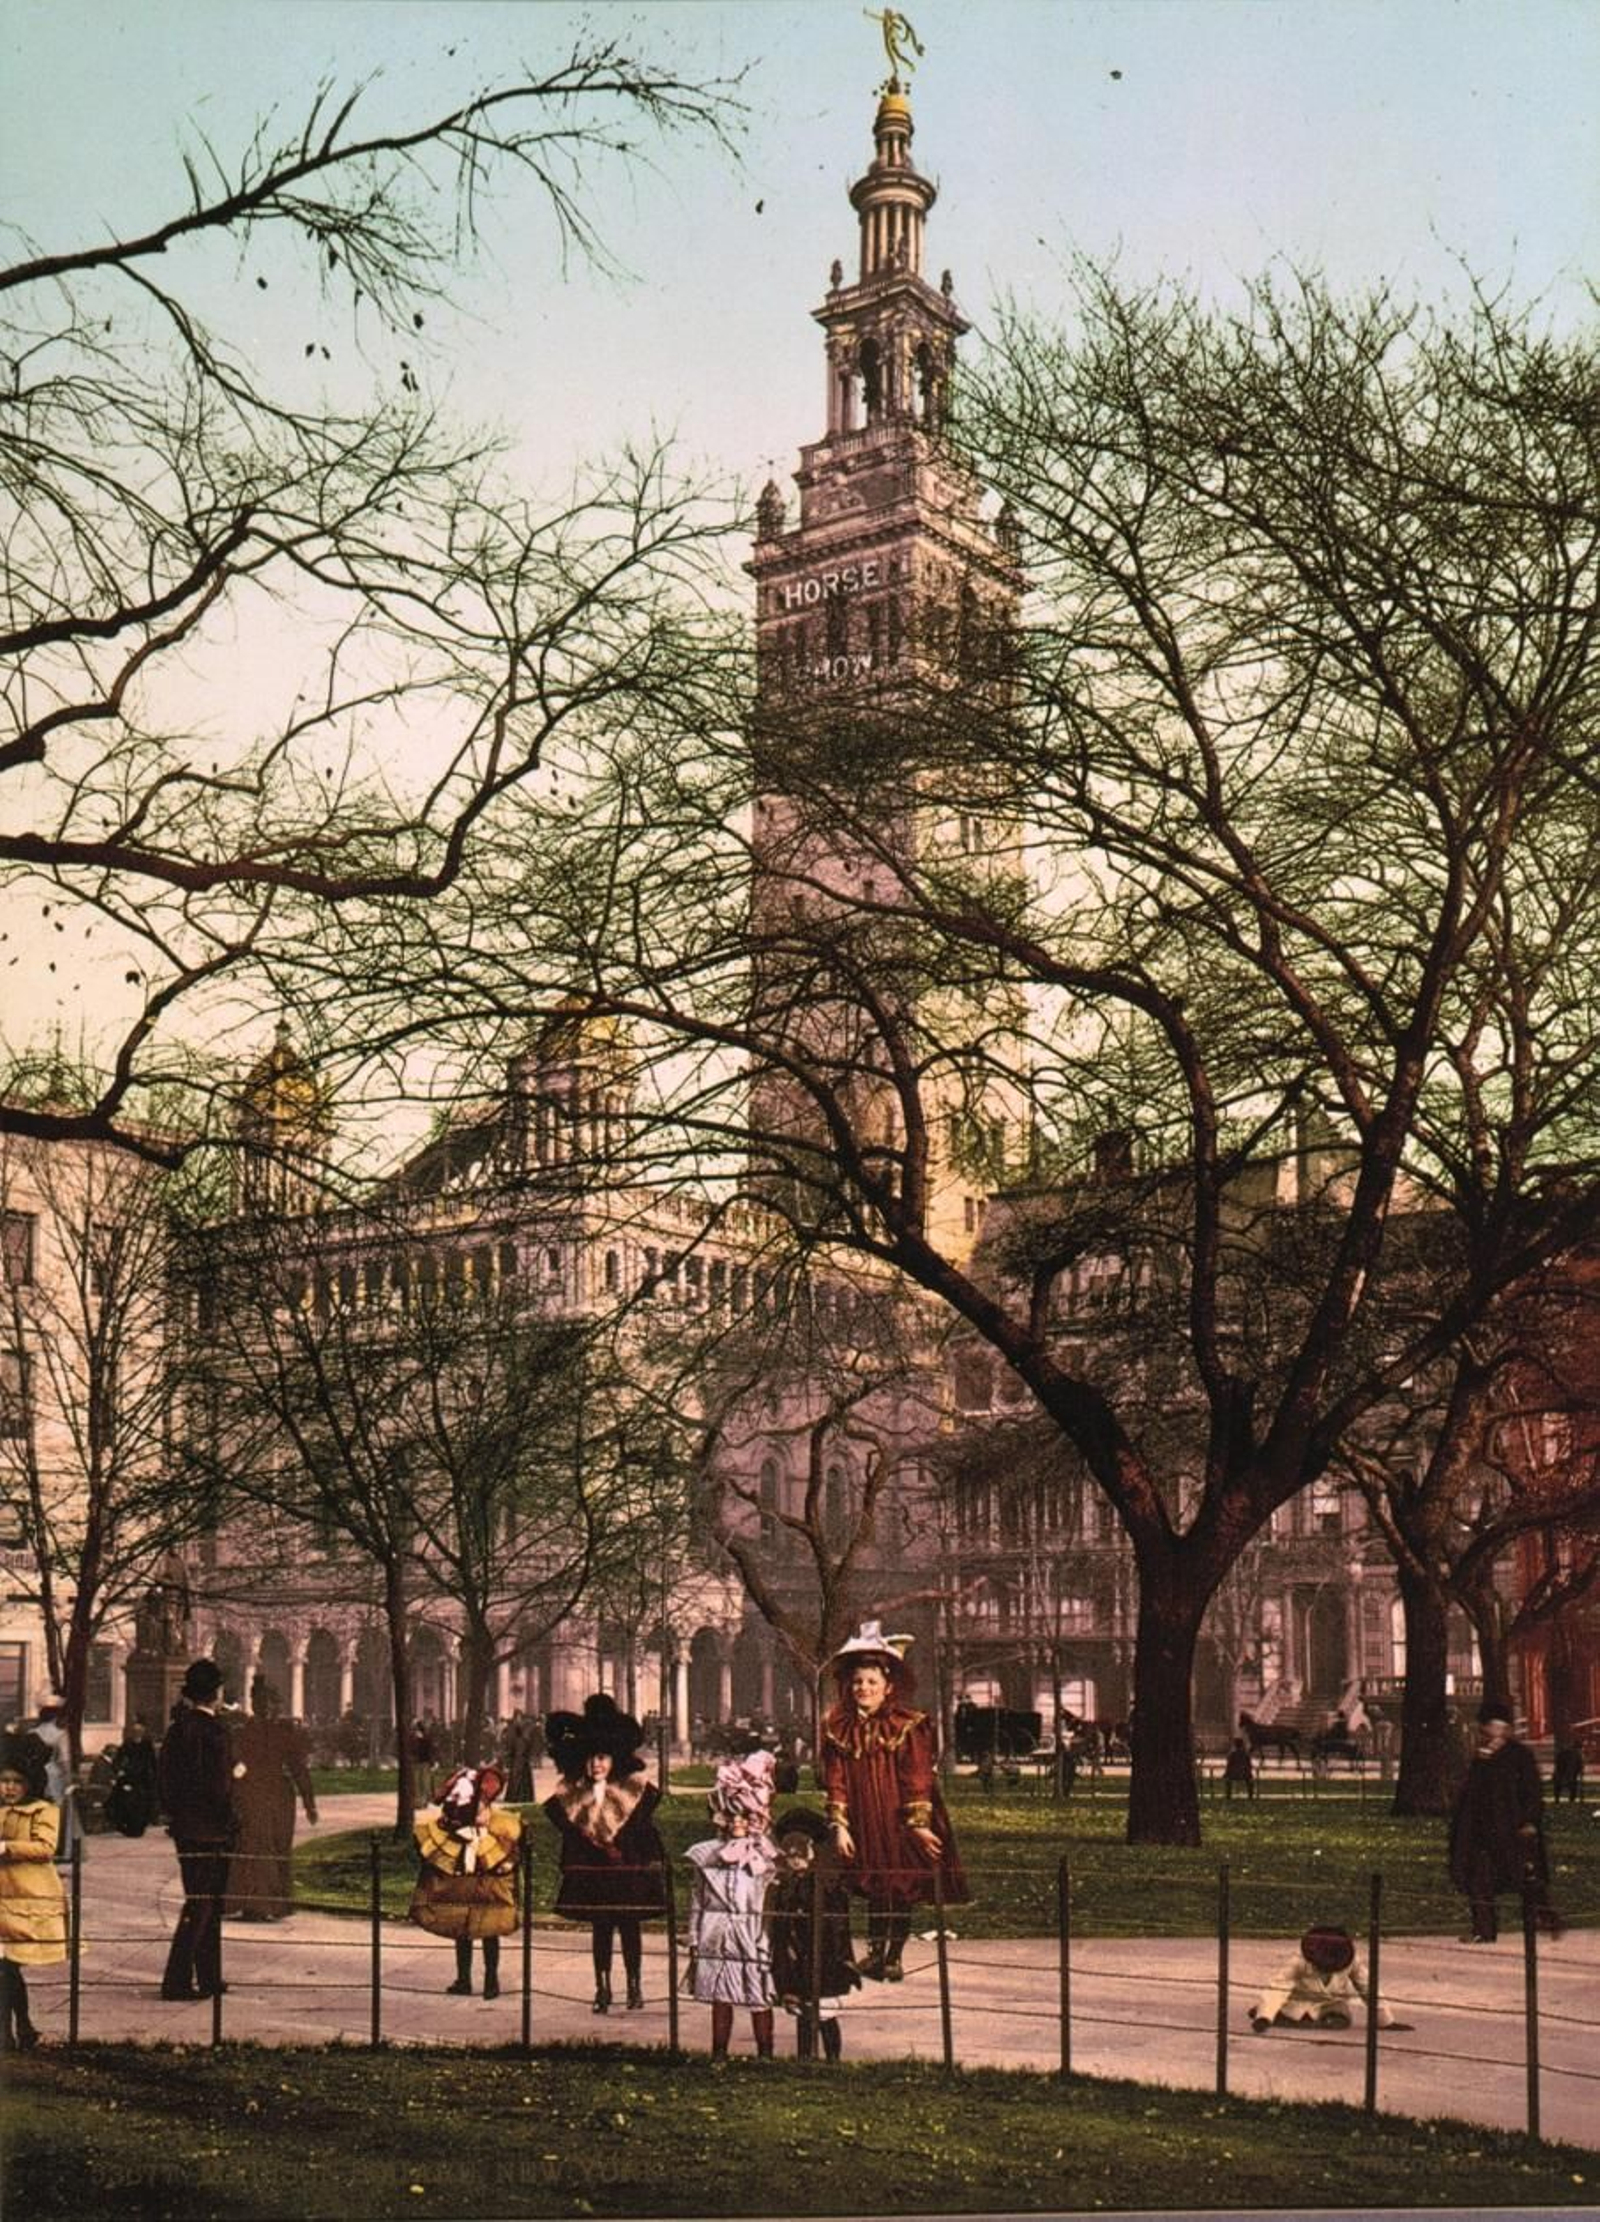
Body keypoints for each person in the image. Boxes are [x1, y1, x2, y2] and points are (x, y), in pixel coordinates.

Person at [820, 1622, 968, 1983]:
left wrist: (918, 1825)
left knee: (899, 1885)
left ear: (887, 1687)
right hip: (862, 1819)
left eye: (872, 1682)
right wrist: (839, 1825)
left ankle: (893, 1956)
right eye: (858, 1682)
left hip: (897, 1818)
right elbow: (836, 1780)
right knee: (874, 1885)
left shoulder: (907, 1725)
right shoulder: (838, 1728)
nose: (864, 1688)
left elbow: (917, 1777)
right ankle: (874, 1953)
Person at [543, 1694, 667, 2014]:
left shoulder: (636, 1791)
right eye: (590, 1758)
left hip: (626, 1871)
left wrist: (638, 1858)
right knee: (600, 1930)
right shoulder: (571, 1795)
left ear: (615, 1759)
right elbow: (566, 1827)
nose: (596, 1764)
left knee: (630, 1928)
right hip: (594, 1873)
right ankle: (602, 1987)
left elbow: (644, 1833)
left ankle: (634, 1986)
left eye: (602, 1757)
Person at [156, 1657, 243, 2001]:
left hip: (186, 1827)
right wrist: (231, 1809)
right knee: (206, 1904)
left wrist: (176, 1814)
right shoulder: (216, 1731)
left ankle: (207, 1977)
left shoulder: (177, 1730)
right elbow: (220, 1784)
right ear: (216, 1692)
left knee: (199, 1902)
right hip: (213, 1828)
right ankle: (180, 1980)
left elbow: (166, 1779)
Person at [683, 1751, 778, 2060]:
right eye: (732, 1815)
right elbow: (698, 1899)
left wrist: (766, 1939)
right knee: (720, 1994)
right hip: (716, 1931)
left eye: (745, 1816)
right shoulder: (708, 1856)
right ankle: (719, 2052)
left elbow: (769, 1904)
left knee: (758, 1993)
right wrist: (694, 1937)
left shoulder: (764, 1859)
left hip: (751, 1933)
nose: (738, 1822)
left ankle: (765, 2054)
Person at [1449, 1698, 1563, 1943]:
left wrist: (1530, 1820)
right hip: (1483, 1832)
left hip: (1513, 1829)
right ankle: (1484, 1930)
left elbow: (1532, 1791)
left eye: (1496, 1726)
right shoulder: (1481, 1757)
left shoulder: (1519, 1756)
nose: (1491, 1732)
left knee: (1527, 1881)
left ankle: (1548, 1919)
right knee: (1480, 1881)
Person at [410, 1762, 522, 1998]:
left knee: (490, 1927)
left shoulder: (498, 1828)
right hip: (465, 1870)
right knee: (462, 1925)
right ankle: (464, 1979)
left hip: (486, 1877)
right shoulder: (458, 1817)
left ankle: (490, 1979)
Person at [766, 1805, 860, 2061]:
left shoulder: (826, 1884)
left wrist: (839, 1955)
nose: (795, 1861)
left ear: (810, 1854)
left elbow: (836, 1924)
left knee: (825, 2012)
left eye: (800, 1855)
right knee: (802, 2011)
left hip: (823, 1954)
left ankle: (832, 2058)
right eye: (790, 1856)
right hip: (795, 1955)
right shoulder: (785, 1885)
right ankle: (805, 2057)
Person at [225, 1678, 318, 1920]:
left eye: (268, 1701)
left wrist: (309, 1802)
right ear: (253, 1702)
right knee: (253, 1845)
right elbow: (234, 1765)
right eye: (259, 1701)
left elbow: (298, 1768)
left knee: (275, 1846)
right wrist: (236, 1785)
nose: (264, 1706)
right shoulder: (242, 1733)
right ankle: (255, 1904)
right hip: (252, 1794)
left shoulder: (283, 1733)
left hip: (276, 1796)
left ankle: (271, 1904)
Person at [0, 1737, 69, 2050]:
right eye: (4, 1781)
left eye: (17, 1782)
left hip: (25, 1899)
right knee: (5, 1966)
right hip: (3, 1900)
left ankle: (16, 2029)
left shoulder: (43, 1811)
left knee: (8, 1965)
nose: (9, 1788)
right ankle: (19, 2029)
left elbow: (45, 1848)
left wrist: (7, 1847)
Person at [1249, 1924, 1400, 2032]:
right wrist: (1264, 2017)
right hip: (1297, 2001)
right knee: (1289, 2016)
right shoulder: (1297, 1962)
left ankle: (1277, 2013)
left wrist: (1385, 2021)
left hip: (1331, 2002)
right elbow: (1277, 1989)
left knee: (1340, 2020)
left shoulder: (1353, 1961)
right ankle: (1265, 2011)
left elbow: (1368, 1987)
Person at [105, 1718, 161, 1837]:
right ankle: (126, 1825)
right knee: (125, 1800)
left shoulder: (147, 1744)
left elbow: (152, 1761)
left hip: (143, 1777)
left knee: (143, 1802)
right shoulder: (128, 1743)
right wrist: (119, 1770)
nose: (137, 1733)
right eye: (135, 1731)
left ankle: (140, 1825)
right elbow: (118, 1759)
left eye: (140, 1731)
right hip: (129, 1776)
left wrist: (154, 1775)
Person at [1223, 1737, 1256, 1801]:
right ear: (1242, 1745)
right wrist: (1249, 1773)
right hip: (1244, 1775)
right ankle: (1250, 1796)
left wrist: (1226, 1774)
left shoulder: (1232, 1754)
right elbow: (1249, 1766)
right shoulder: (1246, 1754)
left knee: (1228, 1780)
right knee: (1250, 1781)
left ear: (1235, 1745)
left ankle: (1228, 1796)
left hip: (1233, 1775)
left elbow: (1229, 1766)